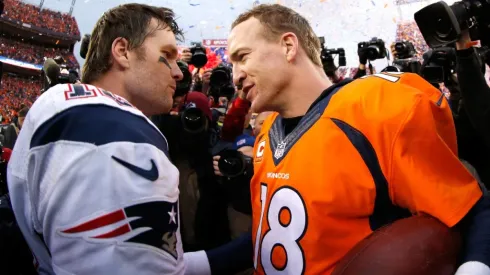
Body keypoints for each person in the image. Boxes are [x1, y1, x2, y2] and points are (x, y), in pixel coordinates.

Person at [187, 4, 490, 275]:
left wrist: (474, 266)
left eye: (243, 57)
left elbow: (471, 210)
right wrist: (197, 264)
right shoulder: (267, 132)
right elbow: (281, 235)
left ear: (288, 46)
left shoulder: (372, 108)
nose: (235, 74)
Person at [6, 3, 209, 274]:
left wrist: (246, 249)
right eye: (167, 55)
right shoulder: (119, 132)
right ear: (123, 52)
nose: (179, 72)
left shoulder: (58, 104)